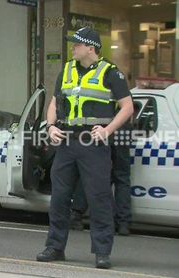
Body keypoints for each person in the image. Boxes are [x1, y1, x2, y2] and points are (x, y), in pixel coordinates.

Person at [36, 27, 134, 269]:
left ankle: (102, 252)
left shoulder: (111, 73)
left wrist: (107, 130)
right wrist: (50, 126)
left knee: (99, 198)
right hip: (67, 143)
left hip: (94, 145)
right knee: (59, 198)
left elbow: (128, 107)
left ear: (90, 47)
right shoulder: (67, 70)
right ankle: (55, 247)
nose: (73, 47)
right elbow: (54, 102)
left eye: (77, 44)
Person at [70, 126, 132, 235]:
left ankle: (77, 213)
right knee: (122, 178)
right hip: (122, 132)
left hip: (101, 132)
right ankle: (123, 223)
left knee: (91, 174)